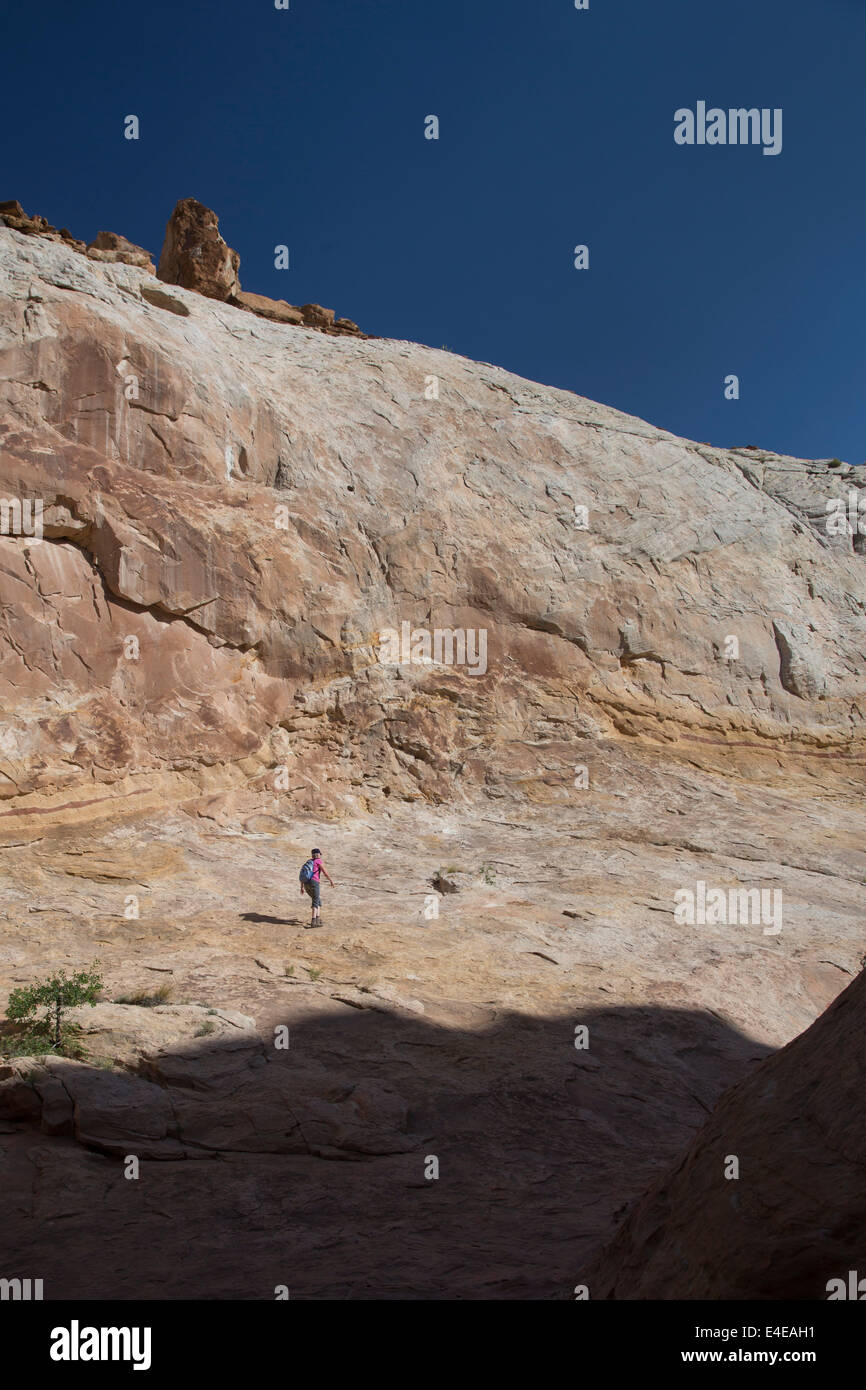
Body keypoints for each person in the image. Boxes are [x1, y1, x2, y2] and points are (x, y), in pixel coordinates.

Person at [300, 848, 334, 928]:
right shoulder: (318, 861)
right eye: (320, 854)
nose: (320, 855)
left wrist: (301, 887)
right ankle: (313, 922)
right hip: (314, 883)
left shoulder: (309, 862)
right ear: (318, 854)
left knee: (318, 900)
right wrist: (330, 880)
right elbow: (324, 872)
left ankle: (317, 919)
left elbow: (303, 875)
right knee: (315, 902)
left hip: (306, 884)